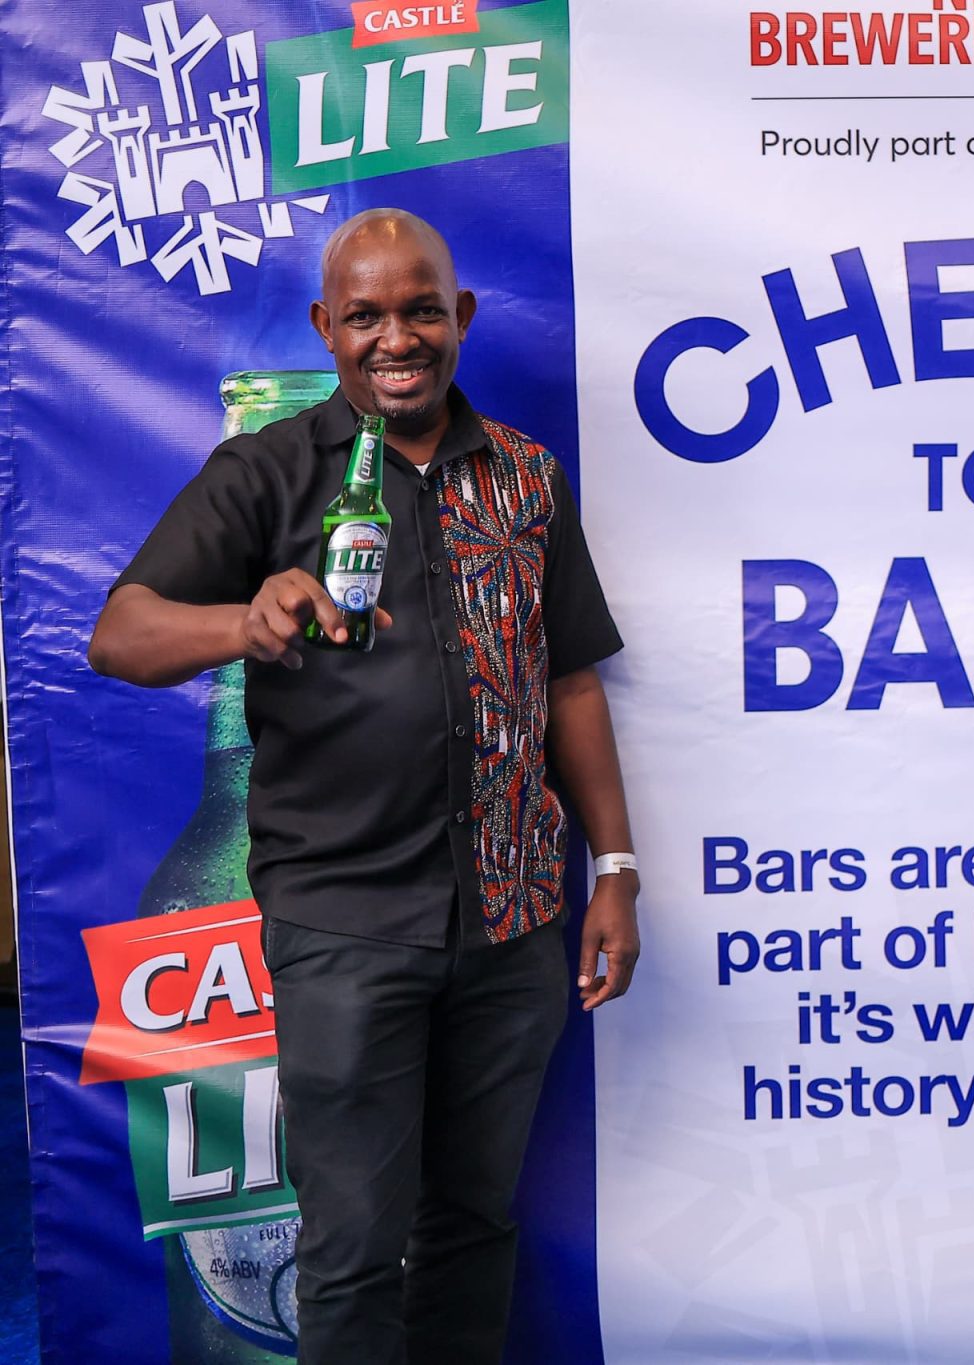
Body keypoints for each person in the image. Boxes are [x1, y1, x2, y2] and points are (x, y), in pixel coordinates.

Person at [87, 209, 642, 1364]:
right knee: (350, 1253)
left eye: (421, 310)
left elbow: (570, 682)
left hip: (512, 925)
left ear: (460, 316)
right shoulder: (266, 472)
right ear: (325, 327)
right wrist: (243, 621)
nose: (397, 338)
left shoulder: (528, 479)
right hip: (345, 930)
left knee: (472, 1228)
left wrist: (616, 870)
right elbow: (121, 635)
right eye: (366, 316)